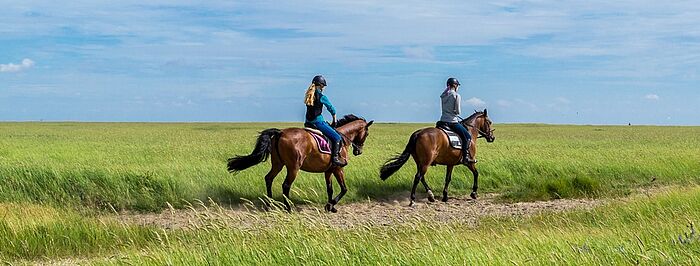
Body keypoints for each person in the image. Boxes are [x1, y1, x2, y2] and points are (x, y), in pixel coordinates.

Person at [304, 75, 346, 167]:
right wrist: (334, 119)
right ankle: (335, 159)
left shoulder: (308, 95)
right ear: (322, 86)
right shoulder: (322, 96)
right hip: (318, 122)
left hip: (307, 123)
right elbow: (331, 108)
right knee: (337, 137)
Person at [439, 77, 476, 164]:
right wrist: (455, 113)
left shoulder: (443, 96)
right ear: (455, 86)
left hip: (442, 121)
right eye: (457, 85)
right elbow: (458, 111)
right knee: (467, 137)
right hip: (452, 122)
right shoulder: (456, 96)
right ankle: (466, 157)